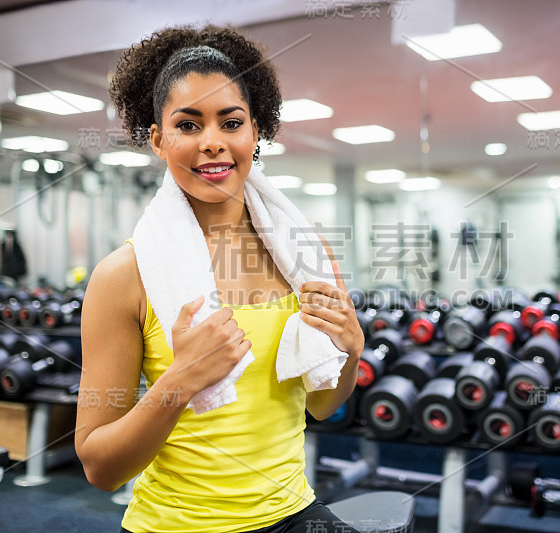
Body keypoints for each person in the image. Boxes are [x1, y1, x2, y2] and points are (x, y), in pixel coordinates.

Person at [75, 25, 364, 533]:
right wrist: (180, 381)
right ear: (159, 140)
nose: (212, 142)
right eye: (188, 126)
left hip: (293, 512)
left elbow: (322, 405)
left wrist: (352, 350)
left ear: (256, 133)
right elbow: (100, 467)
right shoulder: (124, 275)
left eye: (230, 122)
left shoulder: (303, 251)